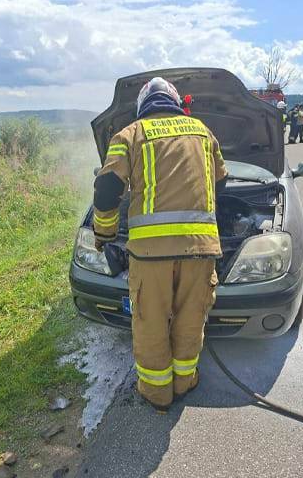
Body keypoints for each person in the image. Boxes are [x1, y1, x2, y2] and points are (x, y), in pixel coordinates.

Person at [91, 77, 227, 413]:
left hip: (150, 256)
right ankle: (185, 383)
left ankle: (157, 395)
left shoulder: (131, 134)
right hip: (200, 250)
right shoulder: (202, 131)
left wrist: (105, 234)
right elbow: (220, 182)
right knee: (190, 319)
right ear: (177, 103)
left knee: (151, 323)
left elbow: (108, 188)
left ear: (142, 106)